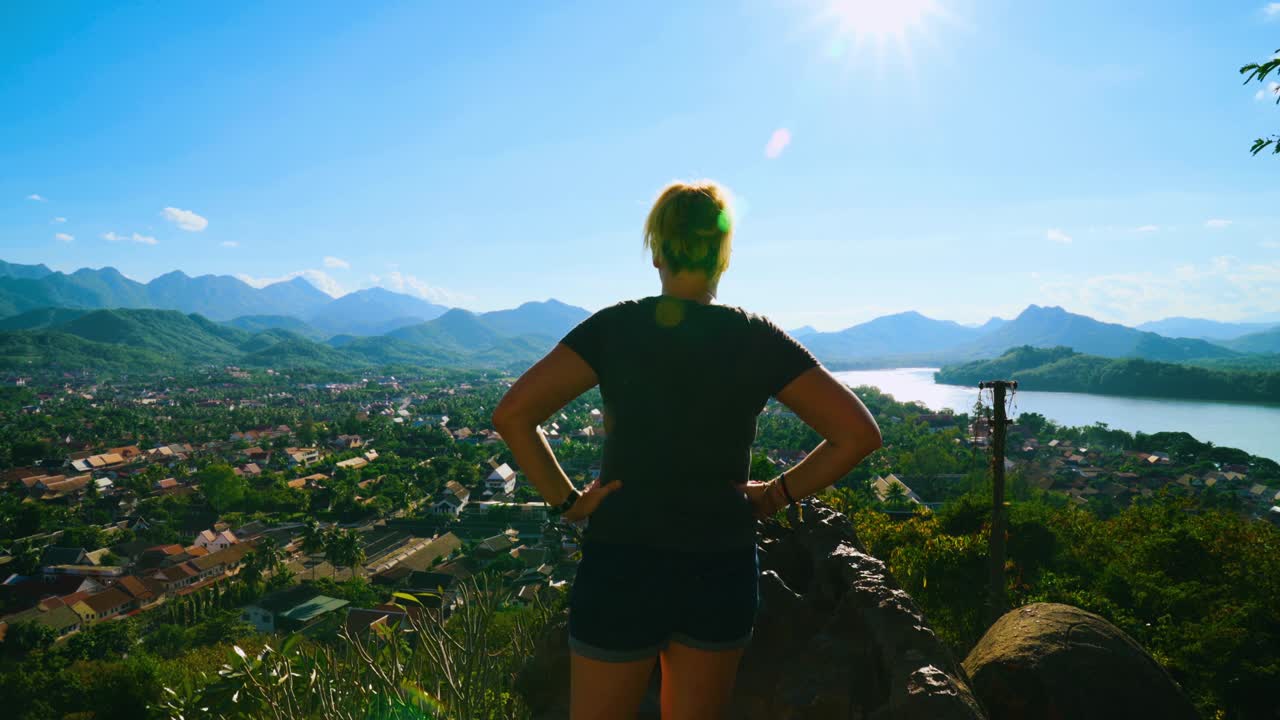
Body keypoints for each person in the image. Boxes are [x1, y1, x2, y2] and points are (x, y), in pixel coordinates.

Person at [491, 179, 883, 720]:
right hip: (718, 565)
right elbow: (857, 434)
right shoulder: (755, 337)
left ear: (656, 250)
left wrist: (569, 502)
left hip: (622, 562)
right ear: (723, 256)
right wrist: (774, 495)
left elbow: (512, 415)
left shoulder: (615, 327)